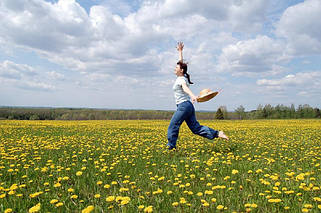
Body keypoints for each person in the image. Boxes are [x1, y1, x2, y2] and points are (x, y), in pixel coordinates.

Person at [167, 42, 229, 150]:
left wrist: (192, 95)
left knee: (173, 126)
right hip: (188, 106)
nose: (174, 68)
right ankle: (217, 133)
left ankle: (171, 148)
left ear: (181, 70)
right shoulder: (183, 77)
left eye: (176, 67)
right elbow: (181, 63)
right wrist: (180, 52)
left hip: (184, 106)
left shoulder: (181, 80)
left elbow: (185, 88)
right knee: (195, 128)